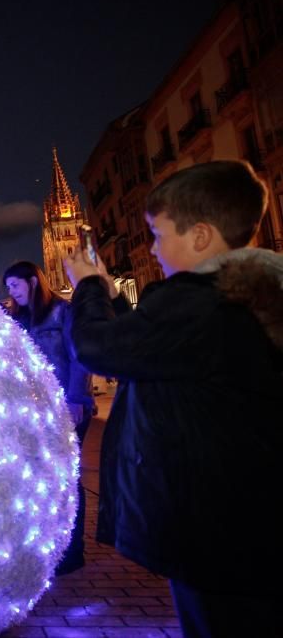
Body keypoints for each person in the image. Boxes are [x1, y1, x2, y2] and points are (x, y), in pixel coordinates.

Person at [64, 160, 283, 637]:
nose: (153, 248)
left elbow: (99, 348)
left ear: (201, 237)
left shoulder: (198, 300)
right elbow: (153, 348)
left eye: (159, 235)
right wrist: (114, 298)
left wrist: (86, 288)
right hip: (253, 522)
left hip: (216, 532)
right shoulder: (246, 296)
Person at [2, 260, 94, 575]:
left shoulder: (62, 312)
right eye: (8, 288)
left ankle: (73, 551)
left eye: (15, 285)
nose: (12, 292)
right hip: (35, 410)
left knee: (68, 478)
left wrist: (77, 398)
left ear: (33, 281)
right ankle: (48, 545)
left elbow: (79, 357)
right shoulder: (18, 319)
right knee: (41, 478)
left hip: (67, 407)